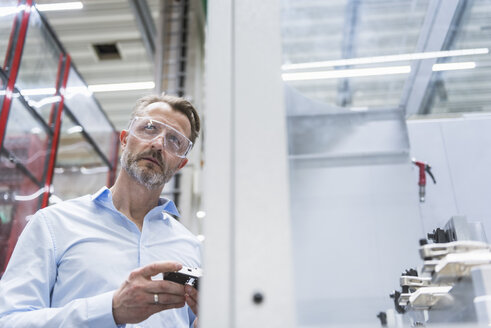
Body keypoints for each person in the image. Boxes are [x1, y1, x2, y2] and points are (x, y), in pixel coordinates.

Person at [0, 94, 202, 327]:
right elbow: (9, 320)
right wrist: (111, 309)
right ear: (125, 139)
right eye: (149, 128)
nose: (158, 143)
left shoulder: (192, 248)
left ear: (180, 164)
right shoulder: (54, 225)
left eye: (174, 140)